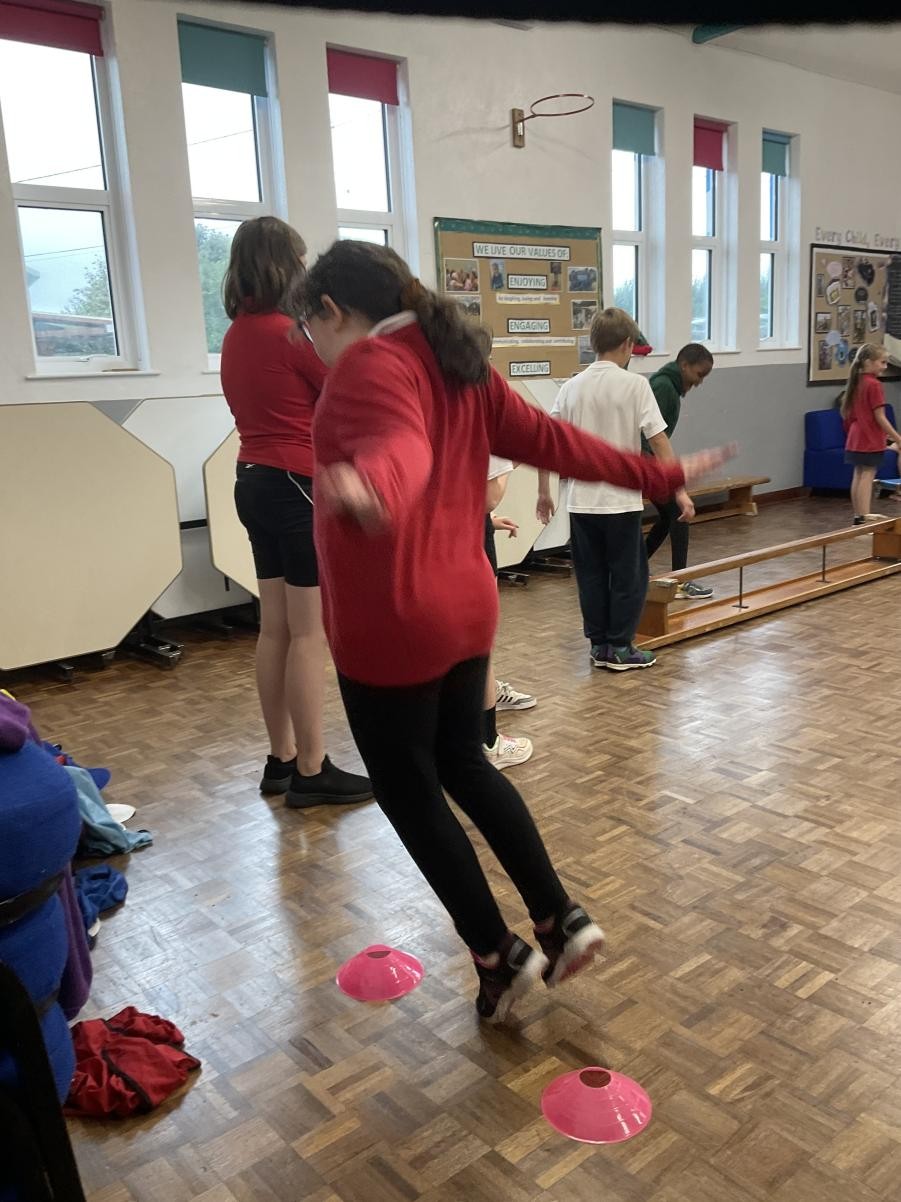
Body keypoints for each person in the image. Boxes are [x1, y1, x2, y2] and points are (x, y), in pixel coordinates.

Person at [301, 240, 733, 1020]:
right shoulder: (456, 360)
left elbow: (400, 448)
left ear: (331, 309)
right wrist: (658, 474)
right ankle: (558, 919)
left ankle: (495, 954)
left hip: (394, 621)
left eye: (310, 328)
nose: (314, 345)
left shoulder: (370, 365)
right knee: (464, 761)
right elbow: (557, 444)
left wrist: (375, 488)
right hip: (467, 608)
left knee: (409, 793)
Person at [219, 217, 373, 809]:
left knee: (275, 627)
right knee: (310, 632)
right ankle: (312, 769)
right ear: (286, 265)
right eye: (301, 259)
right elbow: (346, 387)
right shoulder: (290, 335)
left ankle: (281, 759)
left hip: (253, 480)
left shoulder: (236, 334)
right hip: (296, 484)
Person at [536, 308, 693, 671]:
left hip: (581, 502)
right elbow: (659, 442)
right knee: (629, 576)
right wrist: (679, 491)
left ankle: (599, 645)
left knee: (590, 575)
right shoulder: (635, 385)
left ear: (593, 344)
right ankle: (620, 646)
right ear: (627, 344)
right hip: (620, 502)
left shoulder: (571, 387)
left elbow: (547, 442)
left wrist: (544, 491)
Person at [644, 345, 715, 599]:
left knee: (668, 516)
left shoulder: (669, 386)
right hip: (644, 462)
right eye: (699, 374)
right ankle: (681, 581)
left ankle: (636, 566)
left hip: (647, 461)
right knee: (680, 512)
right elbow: (650, 435)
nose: (700, 382)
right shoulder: (663, 387)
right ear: (684, 366)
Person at [482, 457, 535, 772]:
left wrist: (488, 521)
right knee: (479, 646)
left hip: (456, 532)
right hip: (467, 541)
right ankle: (488, 742)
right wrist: (506, 466)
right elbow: (488, 496)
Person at [841, 342, 901, 524]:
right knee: (867, 476)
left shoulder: (856, 382)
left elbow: (850, 415)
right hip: (868, 437)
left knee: (858, 474)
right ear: (868, 362)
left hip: (856, 436)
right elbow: (880, 417)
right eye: (882, 362)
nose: (885, 366)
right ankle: (865, 519)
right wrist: (898, 438)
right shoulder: (874, 384)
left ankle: (858, 517)